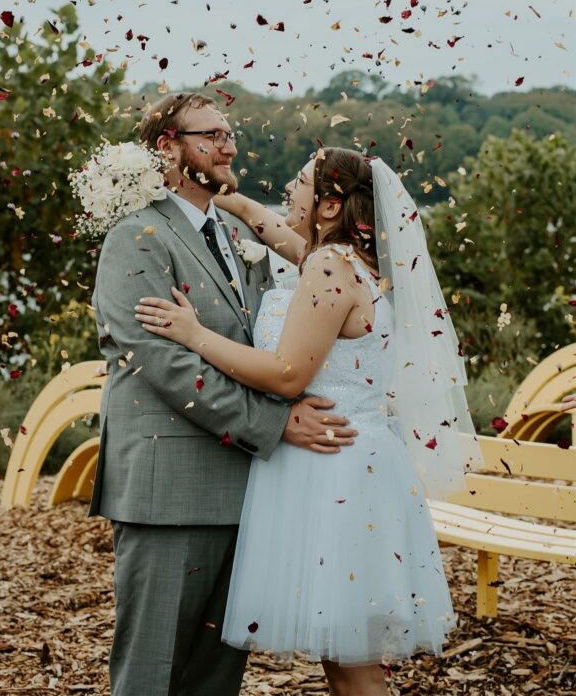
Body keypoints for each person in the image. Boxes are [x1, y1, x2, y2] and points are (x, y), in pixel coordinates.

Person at [136, 147, 479, 696]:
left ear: (329, 205)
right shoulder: (347, 260)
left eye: (298, 182)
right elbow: (277, 231)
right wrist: (235, 202)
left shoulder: (325, 267)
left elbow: (288, 375)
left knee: (354, 669)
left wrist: (193, 334)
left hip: (337, 472)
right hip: (351, 463)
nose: (287, 191)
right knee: (344, 662)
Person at [88, 94, 359, 696]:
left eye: (230, 133)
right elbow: (167, 366)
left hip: (246, 491)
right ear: (168, 145)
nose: (229, 145)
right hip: (168, 490)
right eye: (211, 135)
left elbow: (287, 328)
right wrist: (278, 422)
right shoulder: (135, 238)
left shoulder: (238, 231)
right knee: (151, 672)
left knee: (216, 678)